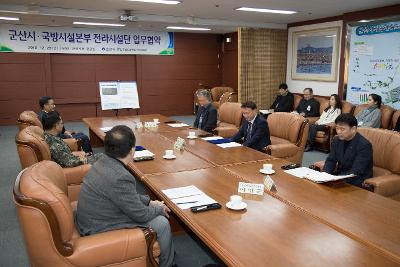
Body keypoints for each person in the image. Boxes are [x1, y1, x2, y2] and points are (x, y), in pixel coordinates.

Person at [75, 125, 175, 267]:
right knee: (162, 223)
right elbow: (140, 215)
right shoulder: (120, 176)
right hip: (98, 226)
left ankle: (166, 251)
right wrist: (158, 209)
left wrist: (149, 202)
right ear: (132, 150)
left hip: (91, 217)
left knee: (154, 212)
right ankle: (167, 264)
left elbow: (123, 196)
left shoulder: (102, 161)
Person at [323, 113, 373, 187]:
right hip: (340, 176)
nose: (339, 131)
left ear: (353, 129)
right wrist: (325, 176)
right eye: (337, 128)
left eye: (342, 129)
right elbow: (331, 160)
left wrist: (337, 180)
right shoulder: (337, 140)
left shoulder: (364, 145)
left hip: (357, 180)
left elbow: (356, 171)